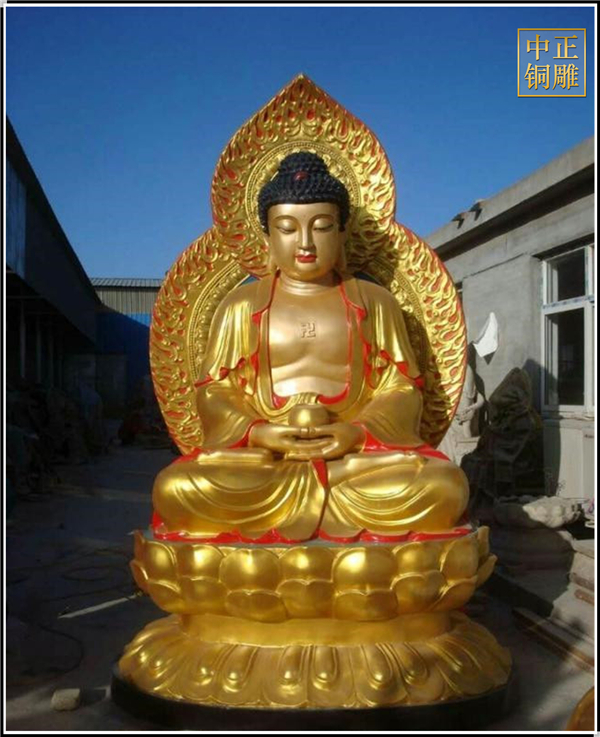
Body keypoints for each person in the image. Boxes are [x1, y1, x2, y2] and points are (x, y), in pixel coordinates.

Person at [152, 153, 469, 542]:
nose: (304, 243)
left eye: (321, 227)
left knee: (444, 486)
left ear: (342, 233)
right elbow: (215, 391)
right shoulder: (241, 306)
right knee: (176, 487)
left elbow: (402, 389)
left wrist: (356, 434)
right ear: (267, 237)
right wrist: (258, 433)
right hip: (265, 462)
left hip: (353, 462)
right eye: (287, 228)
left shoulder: (374, 302)